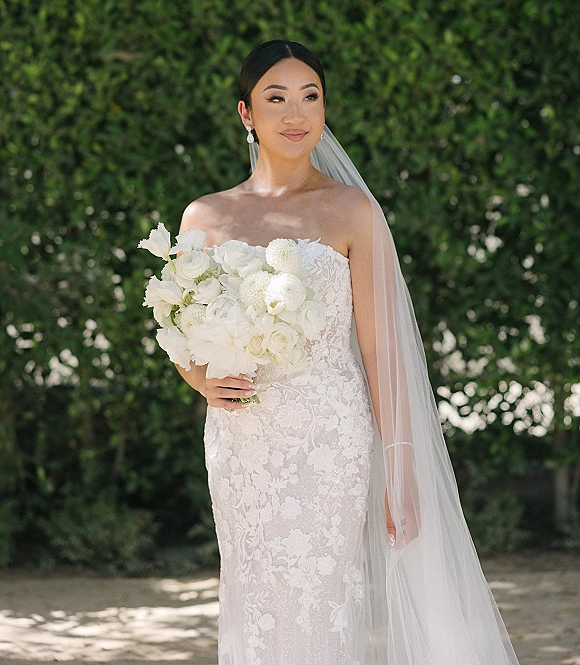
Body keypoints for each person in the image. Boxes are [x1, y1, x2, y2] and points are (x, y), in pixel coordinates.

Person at [175, 40, 520, 665]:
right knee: (253, 594)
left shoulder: (351, 210)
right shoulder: (206, 216)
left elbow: (380, 346)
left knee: (320, 594)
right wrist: (198, 379)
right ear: (246, 114)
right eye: (275, 98)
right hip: (241, 438)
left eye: (310, 96)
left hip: (329, 436)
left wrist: (401, 467)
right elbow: (179, 325)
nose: (295, 112)